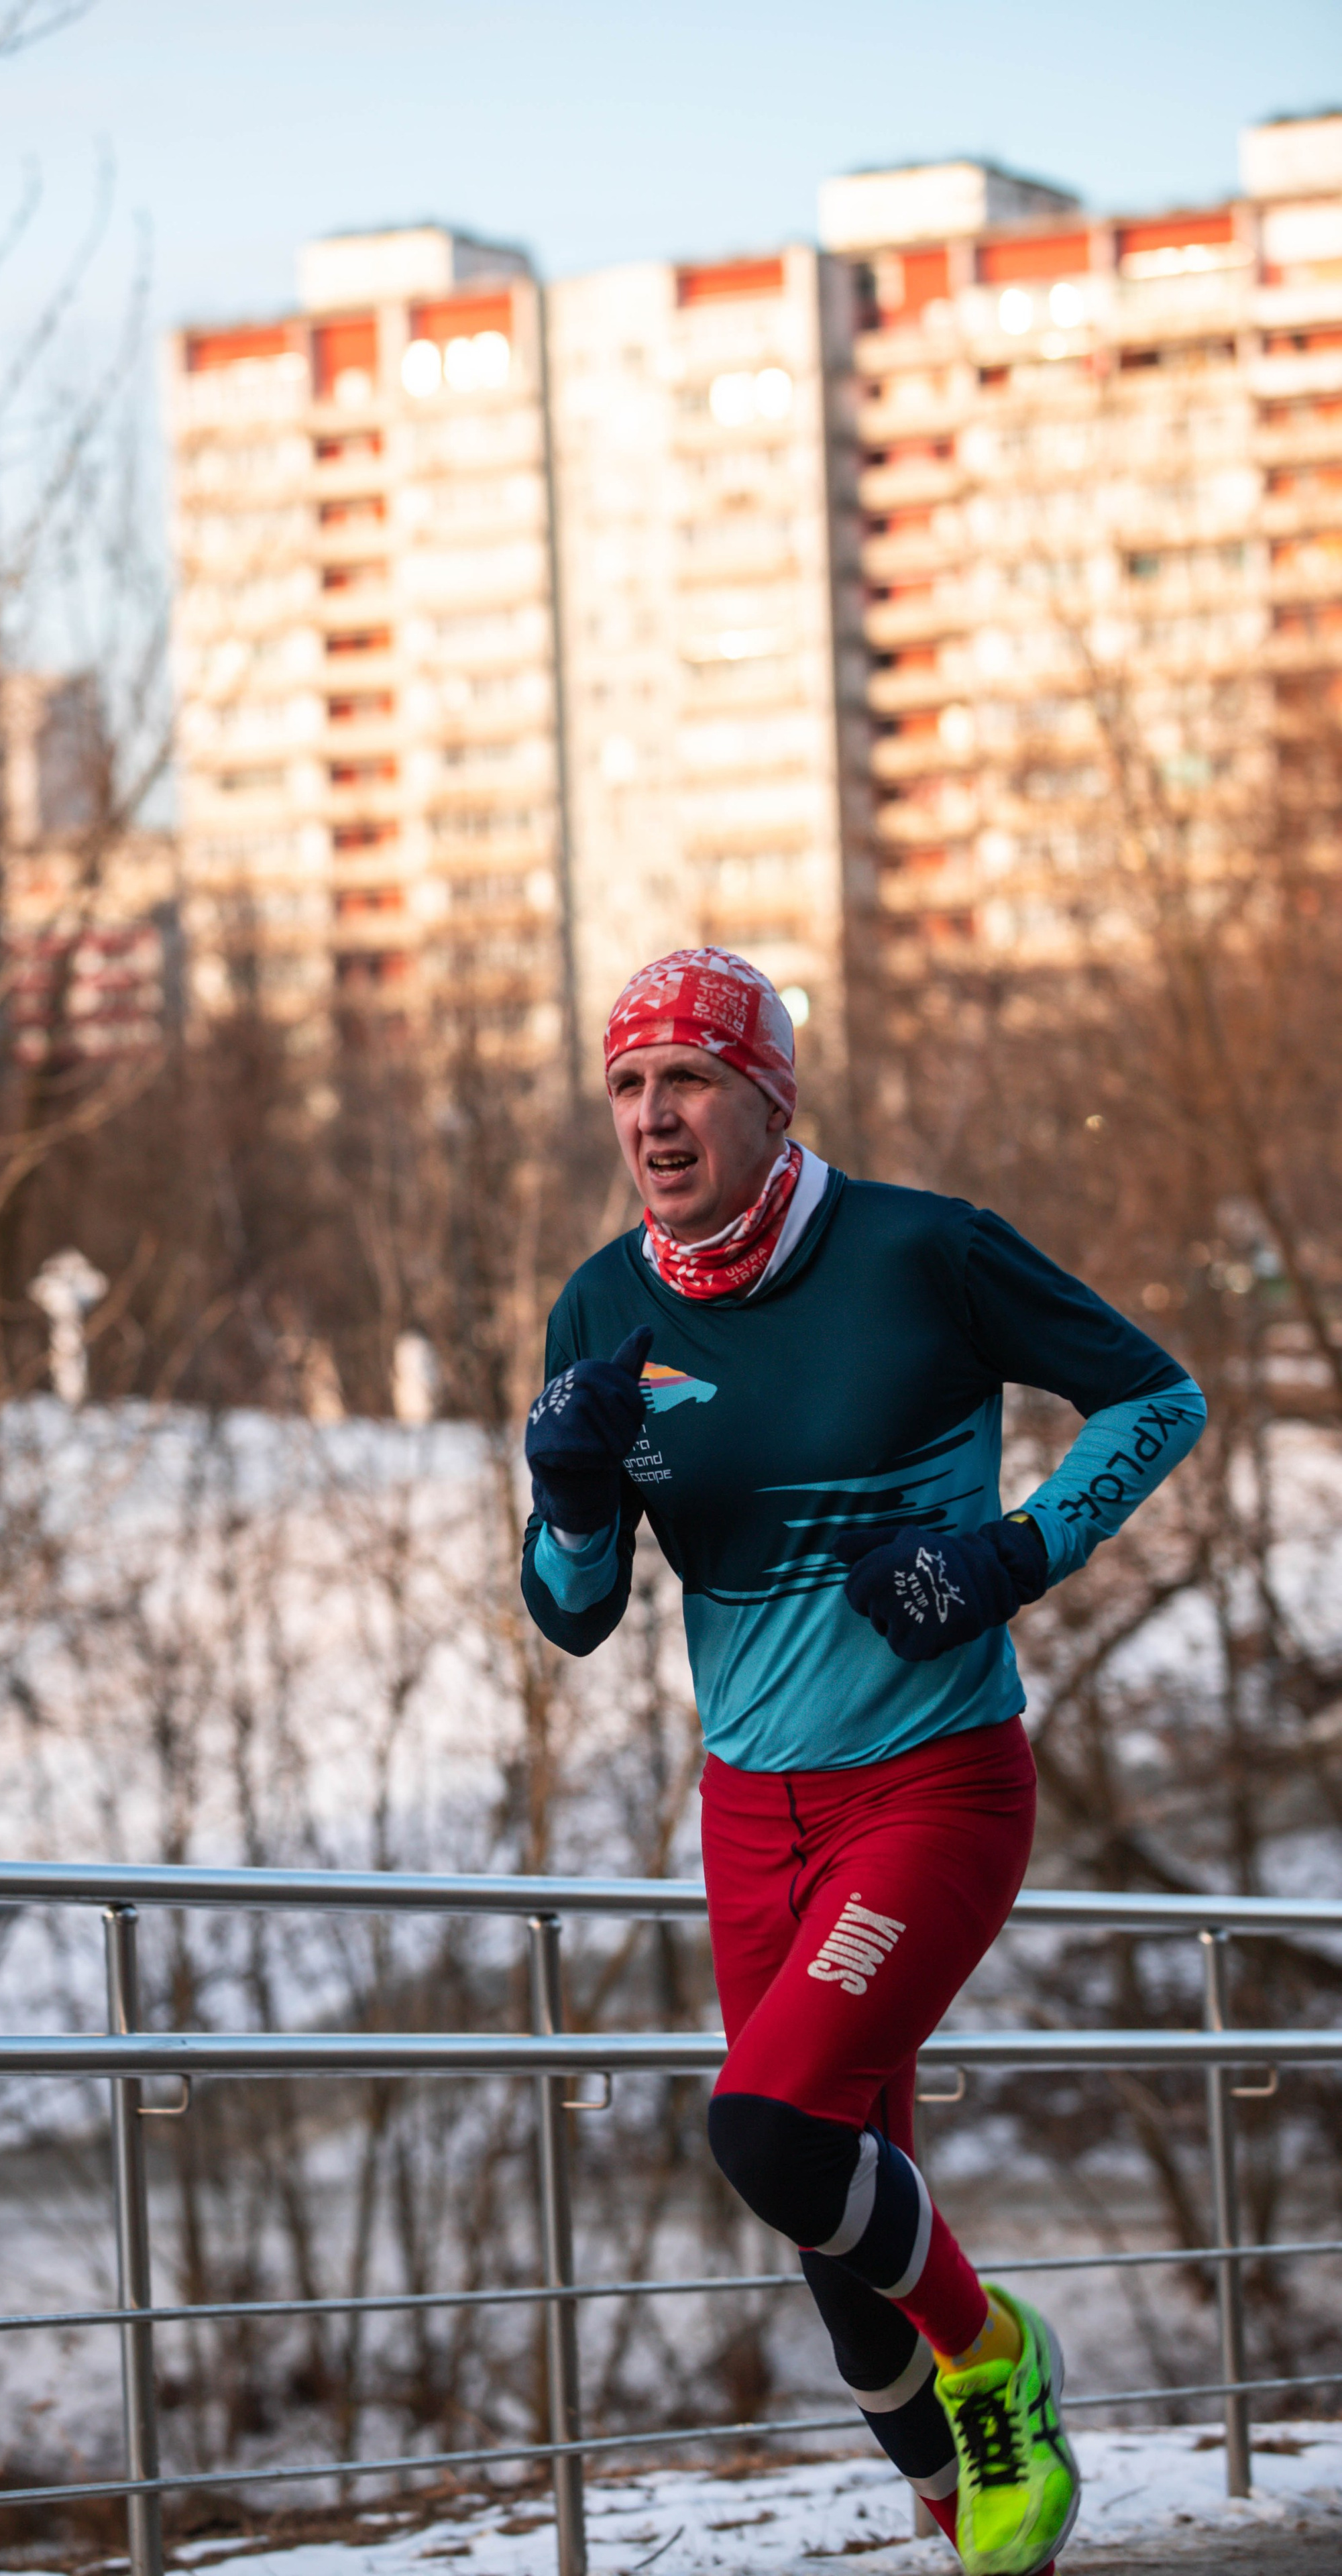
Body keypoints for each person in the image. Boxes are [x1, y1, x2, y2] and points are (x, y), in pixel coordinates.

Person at [519, 949, 1206, 2576]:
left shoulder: (921, 1248)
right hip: (748, 1810)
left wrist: (1009, 1557)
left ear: (769, 1095)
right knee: (831, 2198)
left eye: (685, 1079)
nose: (652, 1116)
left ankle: (991, 2361)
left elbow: (1155, 1400)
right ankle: (953, 2499)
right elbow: (571, 1617)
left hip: (931, 1784)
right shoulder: (600, 1309)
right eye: (625, 1086)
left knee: (766, 2128)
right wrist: (564, 1496)